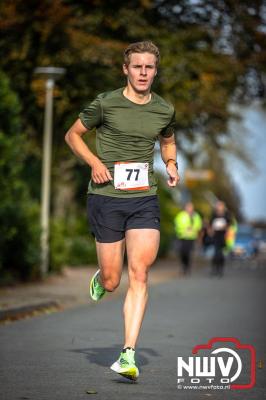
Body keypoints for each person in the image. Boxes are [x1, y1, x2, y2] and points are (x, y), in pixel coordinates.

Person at [65, 41, 180, 381]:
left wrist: (171, 163)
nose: (143, 72)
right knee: (115, 280)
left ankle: (128, 354)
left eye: (149, 67)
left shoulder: (164, 109)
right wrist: (95, 163)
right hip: (105, 197)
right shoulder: (106, 103)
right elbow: (73, 135)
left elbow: (168, 139)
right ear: (126, 70)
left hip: (144, 197)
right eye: (137, 67)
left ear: (155, 71)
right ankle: (103, 278)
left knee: (140, 272)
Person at [174, 202, 202, 275]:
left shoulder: (196, 216)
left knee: (188, 253)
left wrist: (192, 228)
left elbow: (199, 225)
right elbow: (177, 224)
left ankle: (187, 267)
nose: (189, 209)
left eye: (191, 207)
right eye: (188, 207)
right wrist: (184, 229)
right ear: (185, 208)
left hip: (191, 237)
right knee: (182, 252)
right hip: (182, 237)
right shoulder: (181, 215)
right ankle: (184, 266)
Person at [210, 200, 231, 277]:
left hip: (223, 236)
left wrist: (225, 228)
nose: (219, 207)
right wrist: (211, 231)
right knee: (216, 253)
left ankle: (220, 269)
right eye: (218, 205)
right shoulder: (214, 214)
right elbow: (210, 224)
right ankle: (215, 268)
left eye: (221, 205)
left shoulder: (226, 215)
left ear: (223, 207)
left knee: (221, 254)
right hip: (216, 236)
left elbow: (229, 225)